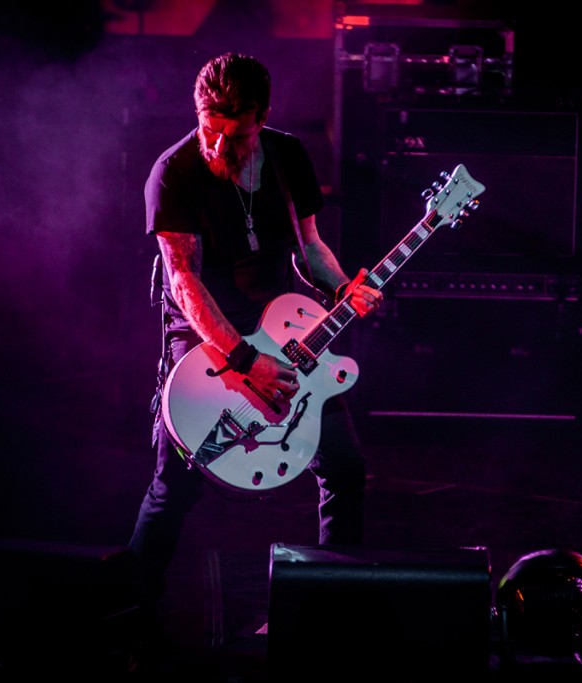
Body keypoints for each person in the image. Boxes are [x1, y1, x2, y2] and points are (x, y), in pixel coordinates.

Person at [128, 52, 382, 618]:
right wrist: (243, 358)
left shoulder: (288, 156)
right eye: (209, 130)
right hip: (205, 332)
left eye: (236, 136)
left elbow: (311, 247)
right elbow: (184, 279)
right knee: (177, 481)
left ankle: (333, 603)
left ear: (261, 119)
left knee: (343, 466)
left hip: (283, 320)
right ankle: (132, 601)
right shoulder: (173, 173)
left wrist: (343, 287)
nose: (219, 148)